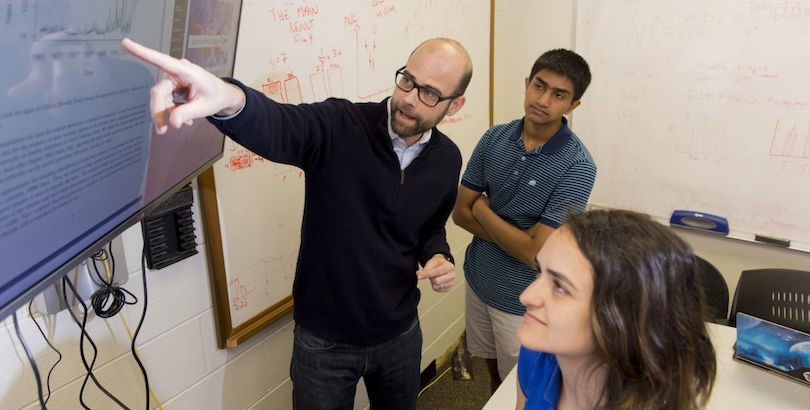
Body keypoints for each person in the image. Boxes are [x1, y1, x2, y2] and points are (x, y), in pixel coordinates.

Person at [121, 37, 473, 410]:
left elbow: (431, 226)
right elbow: (280, 126)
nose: (410, 98)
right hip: (324, 341)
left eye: (430, 94)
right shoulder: (340, 125)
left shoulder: (447, 159)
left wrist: (437, 255)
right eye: (407, 80)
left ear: (455, 105)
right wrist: (227, 98)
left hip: (400, 332)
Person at [452, 49, 596, 391]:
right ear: (527, 84)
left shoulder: (578, 166)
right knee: (492, 373)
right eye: (539, 87)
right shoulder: (494, 138)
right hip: (478, 278)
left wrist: (484, 210)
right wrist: (521, 238)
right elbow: (459, 213)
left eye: (558, 95)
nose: (543, 100)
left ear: (573, 105)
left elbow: (535, 255)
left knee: (523, 387)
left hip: (524, 300)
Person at [516, 209, 717, 410]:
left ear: (623, 317)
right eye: (539, 272)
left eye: (560, 286)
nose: (525, 296)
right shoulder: (537, 355)